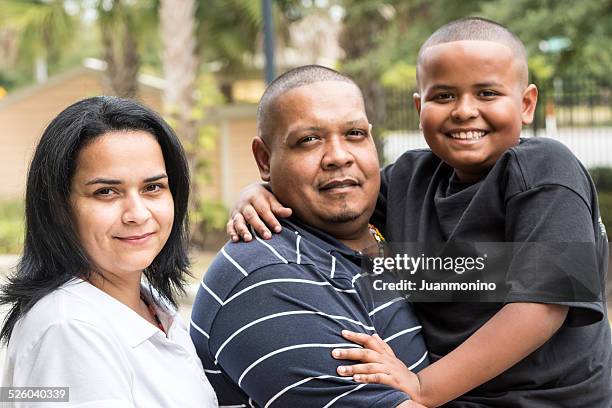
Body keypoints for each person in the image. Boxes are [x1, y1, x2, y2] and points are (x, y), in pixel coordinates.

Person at [226, 18, 612, 407]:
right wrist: (259, 190)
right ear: (419, 106)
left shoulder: (546, 170)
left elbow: (541, 306)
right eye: (443, 96)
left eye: (487, 93)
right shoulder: (410, 179)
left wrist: (426, 388)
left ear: (526, 104)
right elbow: (337, 202)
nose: (464, 111)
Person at [190, 65, 429, 407]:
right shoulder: (268, 278)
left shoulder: (396, 226)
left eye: (355, 133)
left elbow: (522, 287)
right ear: (264, 159)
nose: (339, 157)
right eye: (309, 140)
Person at [0, 96, 218, 407]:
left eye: (153, 187)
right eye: (106, 192)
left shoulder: (150, 304)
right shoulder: (69, 330)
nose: (138, 213)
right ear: (59, 208)